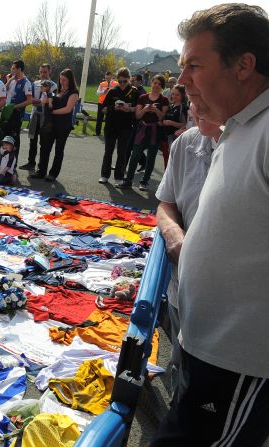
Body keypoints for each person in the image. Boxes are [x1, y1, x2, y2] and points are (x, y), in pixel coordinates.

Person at [151, 5, 269, 446]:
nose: (182, 81)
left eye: (194, 66)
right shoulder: (237, 130)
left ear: (244, 65)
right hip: (207, 348)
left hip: (239, 360)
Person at [155, 102, 221, 398]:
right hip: (182, 281)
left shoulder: (251, 146)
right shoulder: (186, 143)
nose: (196, 106)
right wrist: (173, 234)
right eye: (192, 99)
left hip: (229, 302)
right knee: (182, 358)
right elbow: (166, 202)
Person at [118, 75, 169, 190]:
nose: (156, 85)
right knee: (135, 155)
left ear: (162, 86)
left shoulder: (164, 100)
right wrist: (145, 109)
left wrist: (155, 109)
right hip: (143, 129)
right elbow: (137, 115)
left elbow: (162, 118)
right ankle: (128, 180)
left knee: (151, 157)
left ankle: (144, 181)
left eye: (159, 84)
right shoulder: (143, 97)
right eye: (154, 83)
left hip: (155, 131)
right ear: (151, 83)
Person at [31, 68, 79, 182]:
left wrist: (52, 112)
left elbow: (68, 109)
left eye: (64, 80)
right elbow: (47, 103)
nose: (62, 82)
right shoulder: (57, 90)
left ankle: (53, 174)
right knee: (45, 147)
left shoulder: (73, 92)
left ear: (70, 80)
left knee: (59, 149)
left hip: (63, 125)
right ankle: (41, 171)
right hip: (51, 124)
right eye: (61, 79)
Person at [99, 67, 140, 184]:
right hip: (111, 125)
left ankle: (119, 177)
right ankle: (104, 175)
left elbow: (138, 108)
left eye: (125, 81)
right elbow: (103, 109)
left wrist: (129, 108)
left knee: (122, 152)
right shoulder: (112, 91)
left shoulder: (134, 91)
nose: (122, 84)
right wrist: (113, 107)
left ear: (129, 79)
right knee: (108, 151)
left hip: (126, 126)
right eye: (120, 81)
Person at [22, 63, 58, 171]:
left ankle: (41, 167)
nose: (43, 74)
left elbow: (52, 101)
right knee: (32, 139)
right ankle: (31, 162)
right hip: (34, 115)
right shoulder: (35, 83)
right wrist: (40, 102)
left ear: (49, 71)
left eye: (45, 72)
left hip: (45, 117)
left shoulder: (54, 85)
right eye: (41, 72)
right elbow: (31, 99)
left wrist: (40, 102)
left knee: (44, 142)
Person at [2, 60, 33, 156]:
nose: (11, 70)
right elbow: (3, 90)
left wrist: (15, 106)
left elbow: (29, 101)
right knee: (4, 136)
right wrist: (9, 80)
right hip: (6, 111)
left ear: (19, 69)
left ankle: (13, 163)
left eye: (13, 68)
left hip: (16, 113)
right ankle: (4, 160)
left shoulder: (26, 82)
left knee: (14, 138)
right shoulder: (12, 80)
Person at [160, 84, 189, 167]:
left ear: (182, 95)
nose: (174, 96)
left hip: (175, 139)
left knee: (173, 163)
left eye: (177, 95)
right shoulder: (171, 106)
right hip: (165, 137)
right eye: (173, 94)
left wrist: (171, 123)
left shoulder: (184, 108)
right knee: (166, 160)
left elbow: (186, 125)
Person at [95, 71, 118, 136]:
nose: (107, 78)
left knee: (109, 118)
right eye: (106, 77)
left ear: (111, 76)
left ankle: (107, 133)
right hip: (101, 103)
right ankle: (97, 133)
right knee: (99, 118)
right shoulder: (102, 84)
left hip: (110, 103)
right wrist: (103, 91)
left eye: (108, 77)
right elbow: (97, 93)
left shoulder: (116, 83)